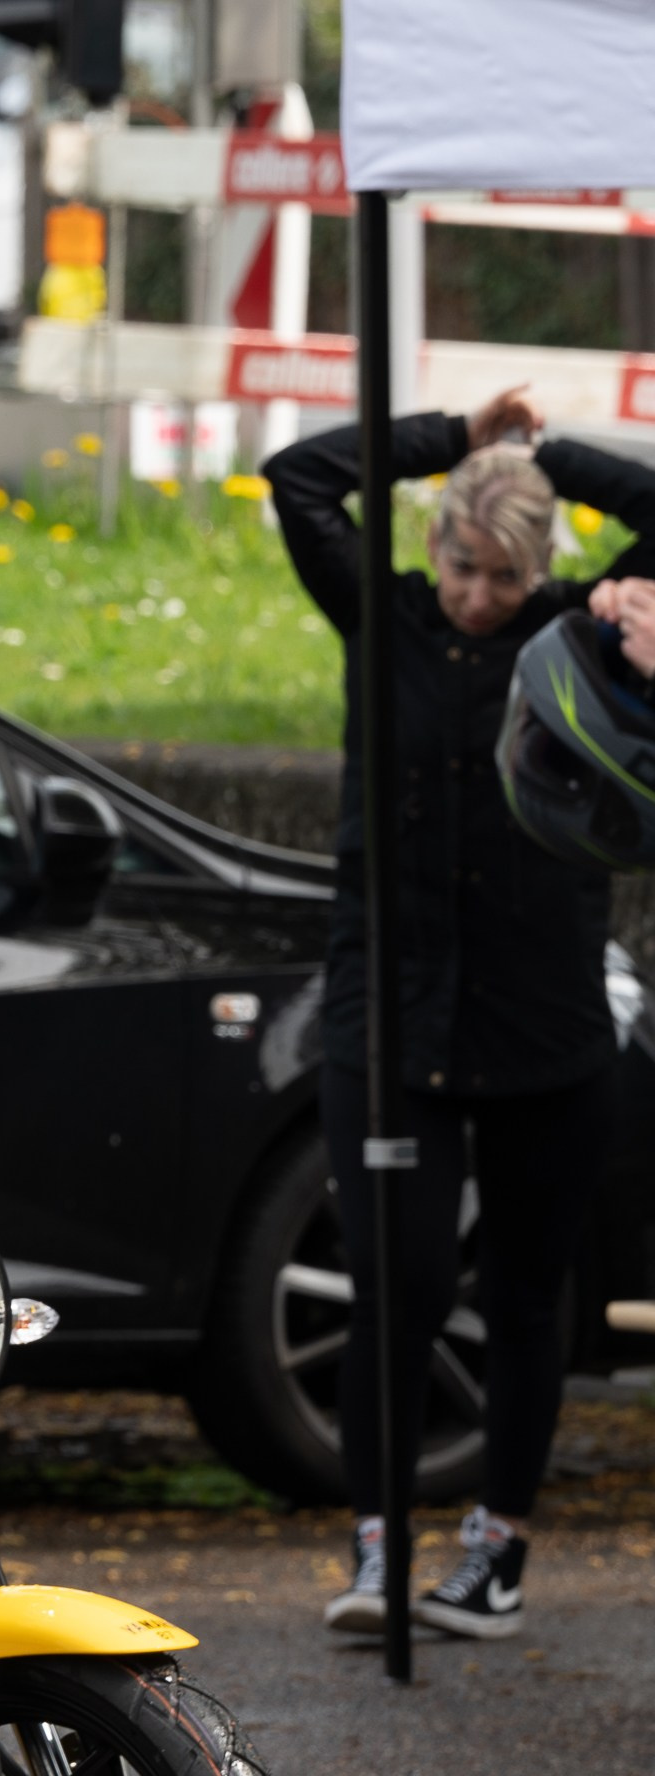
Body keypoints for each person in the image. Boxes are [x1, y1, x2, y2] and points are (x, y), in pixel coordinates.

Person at [267, 391, 655, 1641]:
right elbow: (297, 476)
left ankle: (496, 1552)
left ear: (540, 569)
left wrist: (552, 459)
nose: (472, 594)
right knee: (402, 1283)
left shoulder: (573, 634)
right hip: (392, 1019)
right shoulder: (378, 611)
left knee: (532, 1292)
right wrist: (455, 435)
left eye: (499, 574)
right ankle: (378, 1549)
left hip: (545, 1021)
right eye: (456, 563)